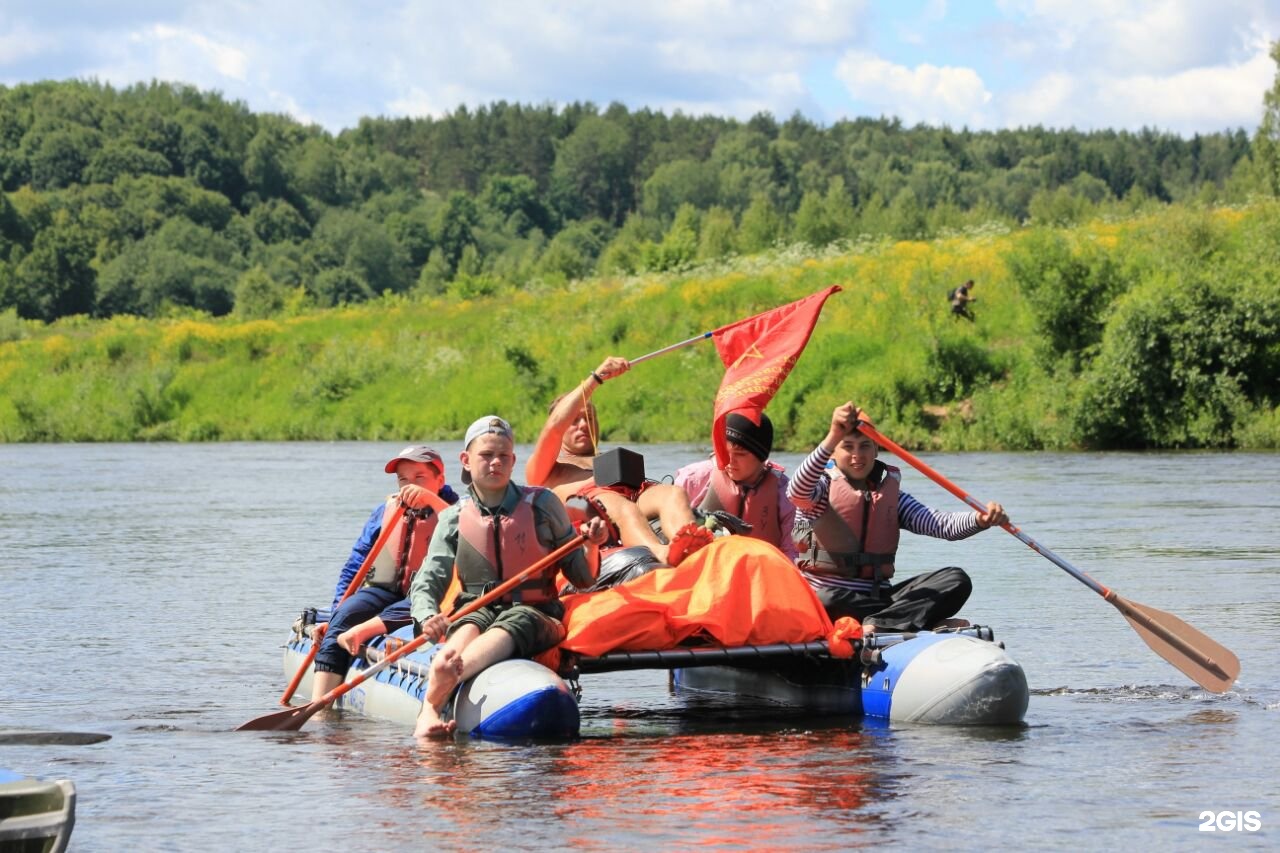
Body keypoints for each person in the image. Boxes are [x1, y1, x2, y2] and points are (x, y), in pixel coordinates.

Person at [409, 415, 608, 738]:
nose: (495, 462)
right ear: (466, 460)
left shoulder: (543, 505)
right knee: (456, 641)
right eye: (486, 456)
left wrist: (592, 546)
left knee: (513, 623)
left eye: (503, 456)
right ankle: (431, 707)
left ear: (513, 460)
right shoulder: (454, 518)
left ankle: (453, 674)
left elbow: (583, 578)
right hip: (476, 608)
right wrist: (427, 615)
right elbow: (429, 580)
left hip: (537, 612)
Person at [786, 402, 1008, 633]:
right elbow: (795, 490)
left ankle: (883, 623)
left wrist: (981, 520)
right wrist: (833, 435)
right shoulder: (818, 490)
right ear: (833, 451)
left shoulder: (893, 497)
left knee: (956, 579)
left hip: (883, 600)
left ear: (875, 451)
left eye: (864, 446)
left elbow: (941, 525)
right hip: (835, 601)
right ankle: (919, 621)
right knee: (825, 599)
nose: (857, 455)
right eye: (847, 447)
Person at [525, 356, 714, 566]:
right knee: (623, 506)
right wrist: (595, 379)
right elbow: (553, 428)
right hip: (597, 510)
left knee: (672, 493)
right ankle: (661, 554)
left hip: (635, 498)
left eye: (588, 418)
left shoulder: (607, 459)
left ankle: (690, 544)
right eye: (573, 421)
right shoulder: (546, 467)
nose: (583, 426)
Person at [310, 446, 460, 703]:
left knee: (417, 606)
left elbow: (465, 535)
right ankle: (318, 708)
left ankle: (364, 630)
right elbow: (355, 564)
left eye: (419, 477)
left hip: (429, 595)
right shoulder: (385, 511)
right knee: (344, 615)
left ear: (440, 480)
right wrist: (335, 614)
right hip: (385, 591)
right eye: (403, 479)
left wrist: (432, 501)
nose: (410, 486)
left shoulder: (458, 510)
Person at [673, 411, 798, 562]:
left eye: (740, 454)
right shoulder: (692, 479)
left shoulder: (786, 494)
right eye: (725, 451)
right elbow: (671, 532)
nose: (730, 460)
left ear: (761, 456)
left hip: (758, 572)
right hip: (701, 569)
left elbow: (791, 553)